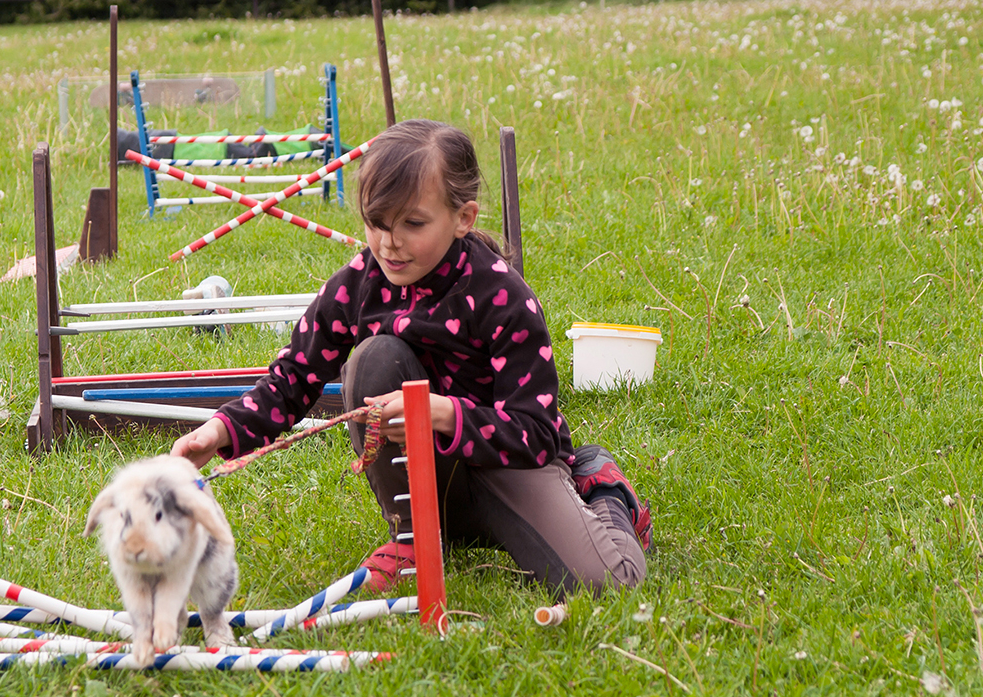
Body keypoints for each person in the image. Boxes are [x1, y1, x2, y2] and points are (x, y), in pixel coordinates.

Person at [171, 120, 649, 596]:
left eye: (412, 224)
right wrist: (222, 429)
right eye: (375, 223)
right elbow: (294, 376)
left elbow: (537, 433)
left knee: (608, 583)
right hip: (433, 479)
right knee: (375, 356)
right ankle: (414, 538)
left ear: (463, 217)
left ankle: (604, 490)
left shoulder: (503, 296)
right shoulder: (359, 283)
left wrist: (444, 414)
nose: (389, 243)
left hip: (511, 466)